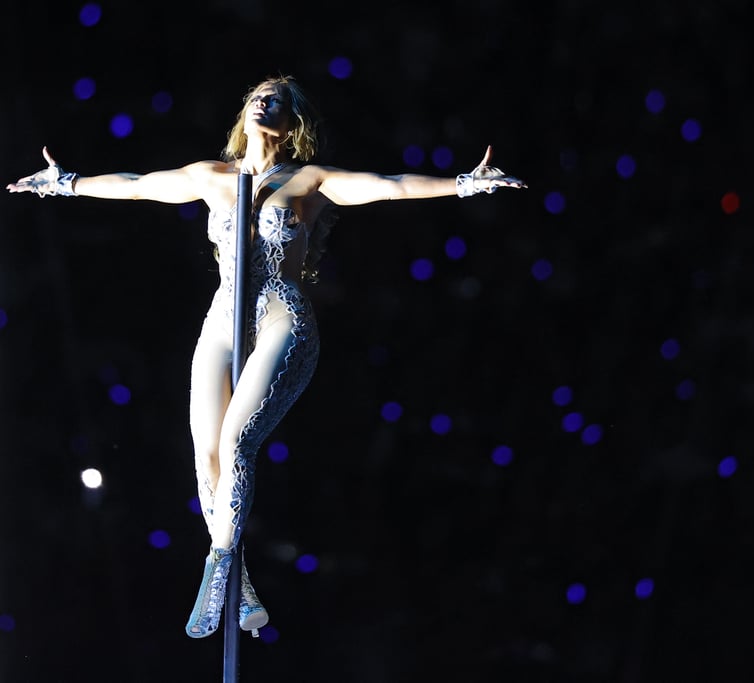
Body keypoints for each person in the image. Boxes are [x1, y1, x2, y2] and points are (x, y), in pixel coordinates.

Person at [6, 75, 526, 639]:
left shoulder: (312, 181)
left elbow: (392, 185)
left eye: (276, 97)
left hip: (282, 318)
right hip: (223, 319)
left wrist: (466, 184)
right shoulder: (212, 176)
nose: (262, 100)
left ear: (293, 119)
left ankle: (219, 568)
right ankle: (241, 584)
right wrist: (66, 184)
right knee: (205, 455)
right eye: (256, 94)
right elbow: (136, 185)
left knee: (235, 443)